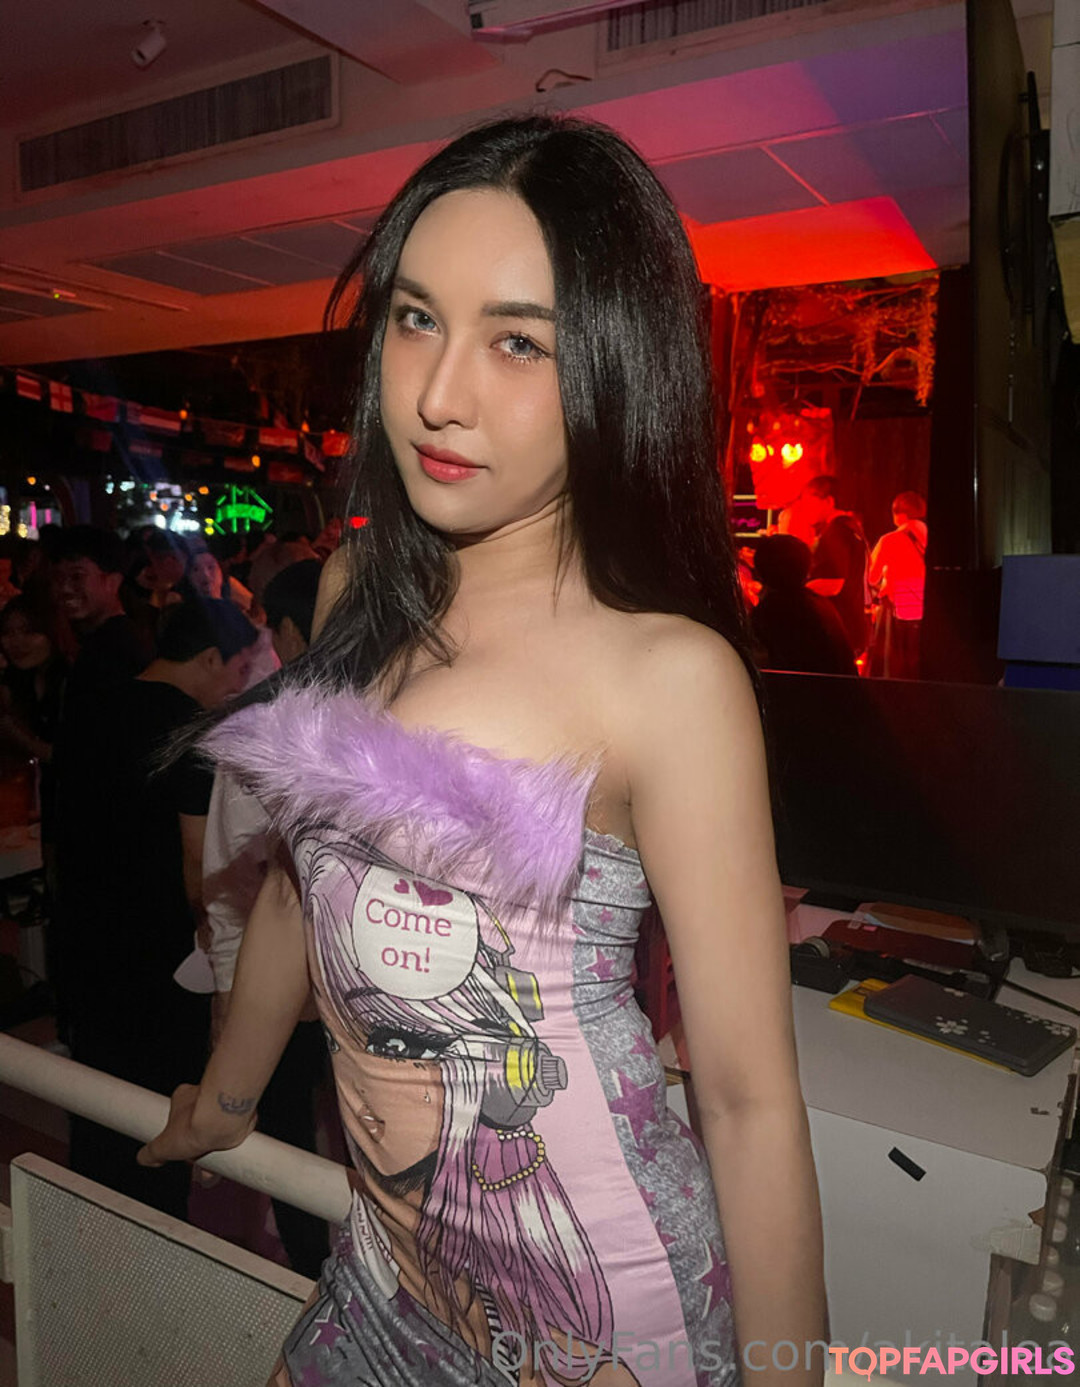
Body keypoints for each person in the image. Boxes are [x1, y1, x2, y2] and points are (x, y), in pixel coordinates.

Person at [141, 115, 826, 1387]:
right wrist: (225, 1101)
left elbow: (744, 1100)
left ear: (613, 366)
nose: (438, 395)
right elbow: (299, 878)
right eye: (417, 319)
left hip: (601, 1320)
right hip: (387, 1270)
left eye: (518, 341)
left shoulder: (668, 678)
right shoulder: (354, 593)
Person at [63, 600, 258, 1220]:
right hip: (161, 951)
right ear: (210, 658)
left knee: (95, 1096)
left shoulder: (91, 706)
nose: (238, 686)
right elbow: (198, 865)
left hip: (87, 933)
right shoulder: (190, 730)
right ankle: (150, 1236)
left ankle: (89, 1223)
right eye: (238, 669)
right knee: (155, 1102)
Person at [202, 555, 331, 1280]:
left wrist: (230, 996)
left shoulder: (256, 726)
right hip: (377, 982)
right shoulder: (407, 706)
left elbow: (227, 879)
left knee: (289, 1130)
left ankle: (308, 1272)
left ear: (285, 631)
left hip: (284, 985)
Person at [751, 536, 857, 676]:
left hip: (802, 689)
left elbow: (760, 668)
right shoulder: (822, 605)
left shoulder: (772, 611)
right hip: (840, 688)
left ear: (760, 571)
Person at [800, 475, 871, 659]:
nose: (805, 509)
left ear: (829, 501)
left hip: (838, 628)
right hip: (852, 625)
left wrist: (796, 592)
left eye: (809, 502)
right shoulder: (852, 527)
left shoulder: (835, 533)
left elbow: (833, 584)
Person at [869, 491, 927, 680]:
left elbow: (871, 577)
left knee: (892, 667)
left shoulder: (890, 539)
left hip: (895, 606)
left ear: (900, 514)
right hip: (923, 605)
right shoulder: (930, 538)